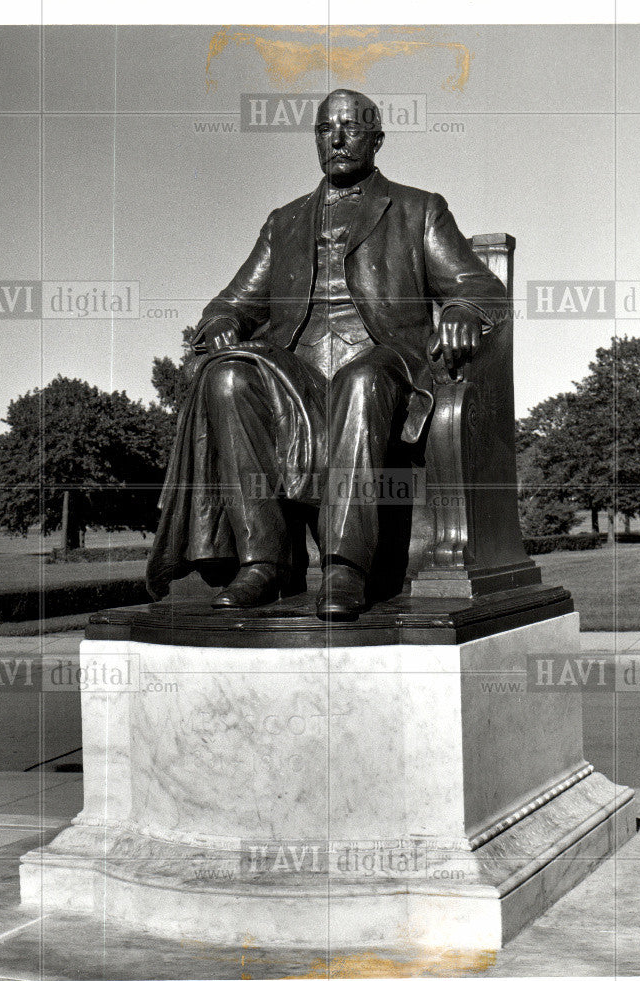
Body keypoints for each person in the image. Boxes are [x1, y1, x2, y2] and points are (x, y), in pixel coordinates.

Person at [146, 89, 506, 620]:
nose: (335, 138)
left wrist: (462, 310)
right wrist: (221, 322)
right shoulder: (283, 222)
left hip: (387, 368)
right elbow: (233, 302)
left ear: (377, 139)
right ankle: (263, 562)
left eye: (351, 128)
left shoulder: (419, 210)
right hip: (301, 381)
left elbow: (483, 288)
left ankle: (344, 565)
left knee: (362, 379)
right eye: (323, 129)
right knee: (225, 377)